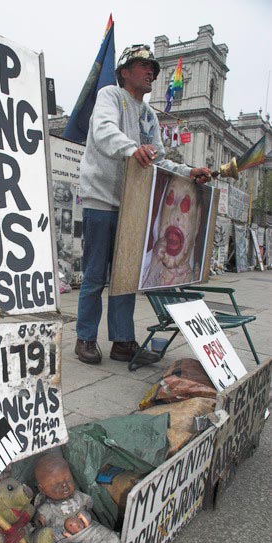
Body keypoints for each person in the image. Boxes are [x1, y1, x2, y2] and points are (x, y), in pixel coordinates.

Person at [75, 44, 212, 365]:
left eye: (153, 67)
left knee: (125, 276)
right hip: (101, 199)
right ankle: (85, 337)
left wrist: (189, 172)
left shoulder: (149, 115)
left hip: (134, 205)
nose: (151, 71)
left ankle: (122, 341)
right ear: (124, 72)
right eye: (143, 65)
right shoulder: (110, 96)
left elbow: (160, 160)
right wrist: (131, 148)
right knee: (95, 275)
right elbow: (104, 130)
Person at [142, 175, 207, 288]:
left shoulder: (193, 275)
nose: (174, 216)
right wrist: (153, 264)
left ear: (197, 221)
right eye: (170, 200)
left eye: (185, 204)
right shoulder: (143, 268)